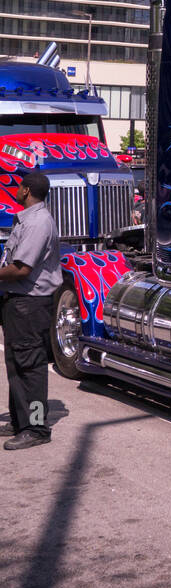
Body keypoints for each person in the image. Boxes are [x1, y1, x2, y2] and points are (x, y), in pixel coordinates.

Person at [0, 169, 64, 450]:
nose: (15, 189)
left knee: (31, 367)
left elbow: (22, 269)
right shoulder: (27, 219)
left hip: (30, 304)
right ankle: (20, 420)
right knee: (16, 365)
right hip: (17, 303)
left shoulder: (38, 222)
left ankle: (37, 428)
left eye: (18, 186)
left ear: (26, 191)